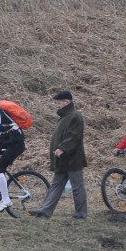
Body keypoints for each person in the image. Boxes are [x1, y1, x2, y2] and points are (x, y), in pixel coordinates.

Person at [29, 90, 87, 219]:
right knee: (56, 185)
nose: (57, 105)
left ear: (67, 102)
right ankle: (45, 211)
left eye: (59, 102)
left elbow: (73, 136)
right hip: (62, 159)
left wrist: (62, 148)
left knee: (77, 186)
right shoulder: (65, 117)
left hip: (72, 158)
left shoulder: (75, 116)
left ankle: (81, 213)